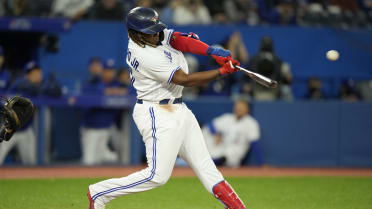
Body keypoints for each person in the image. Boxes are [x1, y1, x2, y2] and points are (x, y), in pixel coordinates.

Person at [87, 7, 246, 209]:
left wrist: (211, 51)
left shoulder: (150, 35)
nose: (156, 34)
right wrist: (221, 71)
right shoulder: (144, 55)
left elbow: (178, 39)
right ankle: (99, 193)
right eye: (149, 32)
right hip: (156, 112)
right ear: (134, 34)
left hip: (178, 108)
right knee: (157, 176)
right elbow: (185, 80)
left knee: (207, 168)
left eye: (155, 29)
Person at [80, 58, 120, 165]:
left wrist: (113, 91)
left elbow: (130, 91)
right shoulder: (93, 82)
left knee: (98, 162)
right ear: (102, 71)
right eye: (107, 70)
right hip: (91, 128)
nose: (109, 73)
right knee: (89, 161)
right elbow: (85, 92)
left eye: (111, 71)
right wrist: (107, 92)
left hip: (107, 128)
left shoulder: (116, 84)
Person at [202, 99, 261, 167]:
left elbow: (254, 143)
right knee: (206, 131)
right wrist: (216, 133)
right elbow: (210, 125)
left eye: (241, 108)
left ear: (247, 110)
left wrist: (260, 164)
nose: (238, 110)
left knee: (226, 155)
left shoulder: (251, 123)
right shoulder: (228, 118)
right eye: (237, 107)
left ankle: (209, 163)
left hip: (235, 152)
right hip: (222, 147)